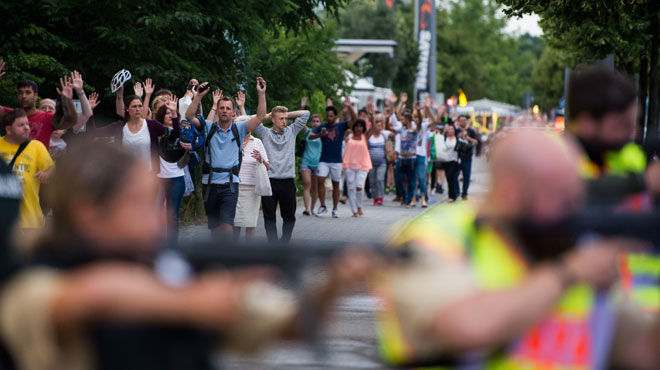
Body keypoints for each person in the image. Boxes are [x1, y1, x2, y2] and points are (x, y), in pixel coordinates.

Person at [0, 142, 375, 370]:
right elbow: (94, 294)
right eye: (140, 204)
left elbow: (290, 328)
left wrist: (333, 285)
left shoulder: (170, 269)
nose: (159, 216)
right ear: (89, 213)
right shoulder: (32, 278)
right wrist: (191, 299)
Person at [374, 130, 659, 369]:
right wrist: (566, 274)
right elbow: (464, 326)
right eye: (561, 200)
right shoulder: (436, 238)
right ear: (512, 193)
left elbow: (641, 351)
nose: (573, 213)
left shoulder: (569, 248)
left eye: (577, 200)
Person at [566, 67, 660, 313]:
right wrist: (641, 182)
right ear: (587, 123)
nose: (632, 132)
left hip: (641, 311)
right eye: (622, 124)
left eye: (634, 123)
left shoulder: (631, 157)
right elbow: (569, 199)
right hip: (581, 309)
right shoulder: (556, 158)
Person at [185, 79, 266, 236]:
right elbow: (189, 116)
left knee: (228, 227)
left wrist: (261, 93)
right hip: (210, 184)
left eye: (228, 108)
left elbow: (261, 116)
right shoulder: (209, 127)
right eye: (221, 108)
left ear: (232, 112)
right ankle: (217, 257)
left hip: (230, 185)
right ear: (218, 110)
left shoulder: (240, 128)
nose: (224, 111)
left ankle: (227, 257)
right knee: (215, 230)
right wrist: (198, 97)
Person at [255, 106, 310, 243]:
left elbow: (306, 113)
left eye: (286, 118)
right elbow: (250, 120)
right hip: (270, 181)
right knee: (269, 216)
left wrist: (286, 113)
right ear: (273, 120)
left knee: (289, 216)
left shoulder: (292, 131)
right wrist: (267, 115)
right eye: (281, 118)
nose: (284, 121)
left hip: (287, 180)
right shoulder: (265, 133)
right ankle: (273, 245)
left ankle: (285, 243)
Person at [93, 92, 180, 173]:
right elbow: (94, 133)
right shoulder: (120, 126)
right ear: (127, 109)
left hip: (148, 175)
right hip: (126, 176)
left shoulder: (151, 125)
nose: (138, 109)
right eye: (134, 107)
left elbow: (175, 135)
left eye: (140, 106)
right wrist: (90, 113)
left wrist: (174, 113)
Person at [0, 109, 54, 233]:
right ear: (8, 129)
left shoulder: (36, 146)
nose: (26, 128)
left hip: (30, 221)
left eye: (27, 124)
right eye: (21, 125)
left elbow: (52, 169)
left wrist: (46, 173)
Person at [0, 75, 78, 150]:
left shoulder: (47, 117)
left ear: (36, 95)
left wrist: (69, 101)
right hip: (15, 162)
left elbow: (71, 122)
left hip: (39, 162)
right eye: (20, 93)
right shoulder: (11, 115)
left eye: (28, 92)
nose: (23, 96)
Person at [309, 101, 357, 218]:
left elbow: (354, 121)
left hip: (336, 160)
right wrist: (320, 135)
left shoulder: (341, 126)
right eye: (328, 116)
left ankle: (335, 209)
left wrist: (350, 107)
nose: (329, 118)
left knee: (336, 183)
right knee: (320, 180)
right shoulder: (322, 127)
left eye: (331, 116)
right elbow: (310, 136)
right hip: (324, 159)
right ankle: (323, 206)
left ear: (335, 116)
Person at [153, 102, 185, 243]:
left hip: (176, 178)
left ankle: (172, 246)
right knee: (156, 212)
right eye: (166, 113)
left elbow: (176, 132)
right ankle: (157, 244)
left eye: (171, 113)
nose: (169, 115)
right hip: (159, 179)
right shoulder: (156, 131)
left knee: (171, 214)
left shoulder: (179, 131)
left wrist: (174, 115)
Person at [234, 132, 269, 240]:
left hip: (252, 188)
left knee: (250, 222)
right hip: (234, 186)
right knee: (235, 222)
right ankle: (232, 252)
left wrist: (260, 158)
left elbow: (268, 166)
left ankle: (248, 253)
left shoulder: (257, 142)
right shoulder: (231, 140)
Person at [343, 119, 372, 217]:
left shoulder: (364, 137)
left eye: (360, 126)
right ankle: (354, 210)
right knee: (351, 188)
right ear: (354, 127)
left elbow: (373, 129)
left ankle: (359, 206)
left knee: (359, 186)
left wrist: (372, 116)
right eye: (356, 126)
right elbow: (343, 143)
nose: (358, 128)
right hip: (349, 165)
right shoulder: (349, 137)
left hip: (362, 165)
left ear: (363, 128)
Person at [300, 114, 322, 215]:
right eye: (313, 121)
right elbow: (301, 122)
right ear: (311, 123)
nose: (315, 123)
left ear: (320, 123)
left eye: (317, 121)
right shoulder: (308, 131)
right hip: (306, 161)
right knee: (307, 183)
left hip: (317, 163)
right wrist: (302, 107)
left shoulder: (323, 133)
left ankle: (313, 208)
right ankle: (307, 208)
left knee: (315, 186)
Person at [366, 114, 390, 205]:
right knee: (372, 181)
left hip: (382, 162)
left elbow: (394, 133)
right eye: (377, 125)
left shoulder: (384, 135)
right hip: (371, 163)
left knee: (380, 179)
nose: (379, 128)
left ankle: (380, 197)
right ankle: (375, 197)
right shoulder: (370, 136)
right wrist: (372, 117)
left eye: (380, 126)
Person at [455, 115, 478, 200]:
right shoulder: (456, 131)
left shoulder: (470, 131)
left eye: (464, 120)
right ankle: (457, 191)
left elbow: (476, 142)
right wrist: (459, 136)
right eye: (461, 120)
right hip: (457, 156)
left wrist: (468, 137)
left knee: (466, 175)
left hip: (467, 156)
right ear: (458, 121)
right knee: (455, 175)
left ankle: (464, 193)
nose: (463, 122)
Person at [437, 125, 460, 202]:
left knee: (451, 176)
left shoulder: (457, 139)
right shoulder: (444, 138)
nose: (450, 130)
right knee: (449, 178)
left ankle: (452, 195)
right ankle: (452, 194)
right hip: (445, 160)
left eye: (452, 129)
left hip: (454, 160)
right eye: (449, 129)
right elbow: (440, 143)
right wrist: (444, 132)